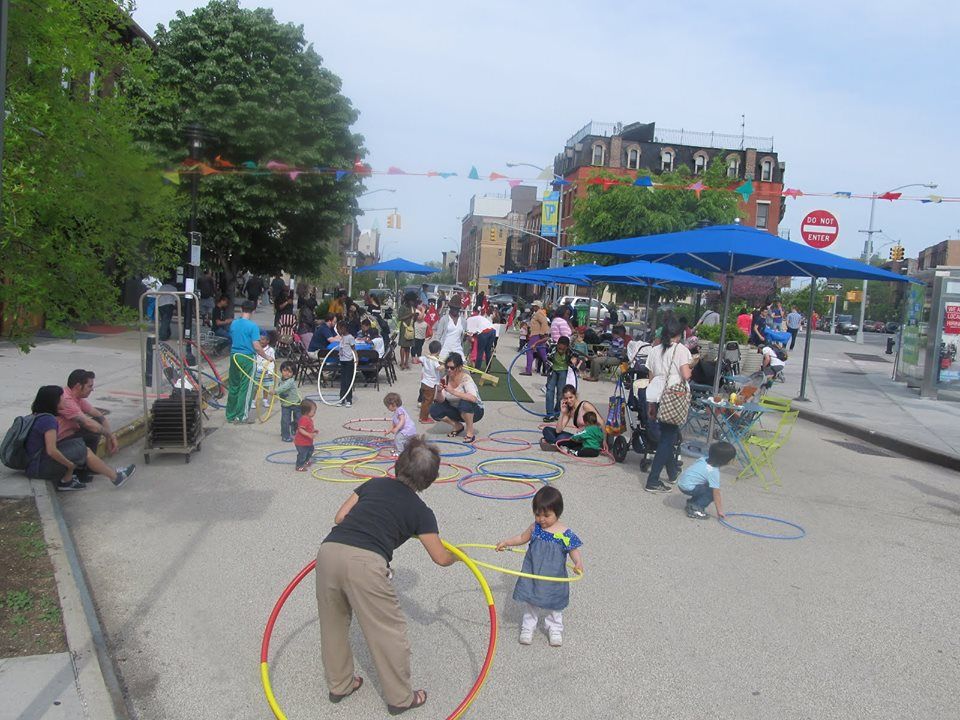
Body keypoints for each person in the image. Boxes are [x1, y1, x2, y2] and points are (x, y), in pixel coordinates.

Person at [316, 437, 456, 714]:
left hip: (328, 552)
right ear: (429, 481)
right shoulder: (421, 511)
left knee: (333, 624)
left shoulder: (372, 484)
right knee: (387, 632)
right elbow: (440, 557)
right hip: (366, 564)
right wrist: (460, 555)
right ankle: (400, 699)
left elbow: (340, 517)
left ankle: (339, 685)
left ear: (396, 464)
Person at [495, 486, 583, 647]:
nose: (542, 519)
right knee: (531, 601)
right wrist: (506, 542)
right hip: (534, 570)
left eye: (547, 515)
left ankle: (555, 629)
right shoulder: (535, 528)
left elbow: (573, 550)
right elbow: (522, 537)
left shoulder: (565, 533)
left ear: (558, 513)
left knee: (555, 603)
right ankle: (528, 628)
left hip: (554, 575)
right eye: (538, 514)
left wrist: (577, 562)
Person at [26, 385, 134, 491]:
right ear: (54, 401)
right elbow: (51, 451)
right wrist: (69, 465)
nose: (64, 400)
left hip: (35, 462)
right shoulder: (48, 421)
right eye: (61, 398)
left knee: (77, 445)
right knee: (83, 450)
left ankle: (67, 481)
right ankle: (116, 477)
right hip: (39, 467)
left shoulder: (39, 415)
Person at [644, 318, 693, 493]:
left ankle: (672, 473)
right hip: (672, 396)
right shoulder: (681, 350)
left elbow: (651, 376)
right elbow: (686, 375)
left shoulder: (655, 350)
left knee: (668, 436)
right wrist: (693, 363)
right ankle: (653, 479)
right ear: (679, 334)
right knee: (667, 438)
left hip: (655, 394)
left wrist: (650, 403)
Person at [226, 300, 271, 423]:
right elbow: (256, 345)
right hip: (247, 358)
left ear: (241, 309)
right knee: (246, 387)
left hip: (234, 356)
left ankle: (230, 415)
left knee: (234, 386)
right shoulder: (252, 326)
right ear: (253, 311)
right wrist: (267, 357)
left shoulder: (234, 324)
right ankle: (242, 416)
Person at [429, 352, 483, 443]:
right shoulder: (445, 378)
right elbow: (440, 400)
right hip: (457, 410)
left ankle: (470, 432)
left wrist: (453, 392)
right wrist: (438, 391)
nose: (449, 370)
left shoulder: (466, 378)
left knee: (465, 403)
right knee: (434, 409)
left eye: (452, 368)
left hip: (475, 411)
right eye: (447, 367)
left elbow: (473, 398)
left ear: (459, 368)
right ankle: (457, 426)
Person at [678, 441, 736, 519]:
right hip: (688, 487)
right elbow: (716, 493)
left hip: (682, 482)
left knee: (707, 486)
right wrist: (720, 511)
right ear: (725, 461)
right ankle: (696, 508)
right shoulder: (713, 471)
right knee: (711, 492)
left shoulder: (703, 459)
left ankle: (692, 503)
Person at [540, 385, 600, 450]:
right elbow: (558, 430)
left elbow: (601, 422)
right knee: (546, 430)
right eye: (566, 398)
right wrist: (562, 412)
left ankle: (554, 443)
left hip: (586, 438)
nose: (569, 400)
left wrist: (604, 441)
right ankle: (557, 444)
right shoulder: (569, 410)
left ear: (575, 396)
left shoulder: (585, 405)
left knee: (561, 437)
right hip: (577, 437)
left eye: (571, 397)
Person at [544, 336, 572, 422]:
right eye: (559, 347)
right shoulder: (552, 347)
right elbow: (545, 341)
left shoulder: (570, 352)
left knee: (561, 393)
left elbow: (575, 360)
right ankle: (550, 414)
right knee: (549, 391)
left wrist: (574, 362)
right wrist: (534, 345)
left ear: (567, 347)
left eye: (563, 349)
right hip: (553, 371)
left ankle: (557, 412)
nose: (561, 350)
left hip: (563, 371)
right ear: (557, 345)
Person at [432, 296, 467, 361]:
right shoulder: (444, 319)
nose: (455, 310)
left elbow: (462, 338)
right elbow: (438, 336)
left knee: (463, 369)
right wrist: (435, 351)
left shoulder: (463, 321)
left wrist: (466, 336)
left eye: (457, 308)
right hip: (444, 349)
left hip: (457, 349)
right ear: (450, 307)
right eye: (453, 308)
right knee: (444, 369)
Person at [276, 361, 302, 443]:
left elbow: (284, 388)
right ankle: (285, 435)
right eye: (285, 370)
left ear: (293, 373)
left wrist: (275, 391)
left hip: (296, 403)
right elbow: (281, 388)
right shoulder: (281, 380)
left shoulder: (290, 381)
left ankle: (294, 430)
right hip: (285, 404)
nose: (287, 373)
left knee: (297, 419)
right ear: (281, 370)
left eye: (290, 371)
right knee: (285, 420)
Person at [523, 301, 549, 376]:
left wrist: (542, 333)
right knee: (543, 353)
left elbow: (544, 322)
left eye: (534, 306)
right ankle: (549, 370)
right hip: (537, 334)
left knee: (529, 350)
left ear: (538, 306)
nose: (533, 307)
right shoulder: (537, 313)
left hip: (536, 335)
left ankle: (528, 370)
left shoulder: (539, 313)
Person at [419, 340, 442, 423]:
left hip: (424, 382)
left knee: (424, 401)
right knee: (428, 402)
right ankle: (424, 419)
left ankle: (422, 417)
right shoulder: (434, 360)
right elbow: (438, 368)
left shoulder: (426, 357)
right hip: (430, 384)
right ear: (439, 350)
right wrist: (445, 365)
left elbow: (419, 359)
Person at [294, 399, 318, 471]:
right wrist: (309, 434)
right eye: (314, 411)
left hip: (307, 442)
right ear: (307, 412)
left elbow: (308, 428)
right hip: (301, 443)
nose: (315, 413)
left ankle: (306, 461)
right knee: (302, 454)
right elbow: (301, 429)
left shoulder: (309, 418)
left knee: (310, 451)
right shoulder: (304, 419)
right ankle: (299, 466)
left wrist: (313, 431)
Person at [337, 321, 356, 408]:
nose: (338, 331)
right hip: (342, 361)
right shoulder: (342, 337)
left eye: (339, 329)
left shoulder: (350, 337)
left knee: (348, 381)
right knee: (343, 381)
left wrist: (356, 359)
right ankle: (342, 399)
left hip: (349, 361)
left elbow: (353, 349)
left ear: (344, 328)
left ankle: (349, 399)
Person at [396, 292, 417, 370]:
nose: (413, 302)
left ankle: (406, 362)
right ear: (408, 300)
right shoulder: (402, 307)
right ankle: (402, 362)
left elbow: (414, 319)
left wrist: (415, 317)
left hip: (411, 327)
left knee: (408, 347)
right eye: (412, 301)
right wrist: (410, 315)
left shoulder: (413, 308)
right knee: (403, 346)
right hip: (404, 327)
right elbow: (399, 318)